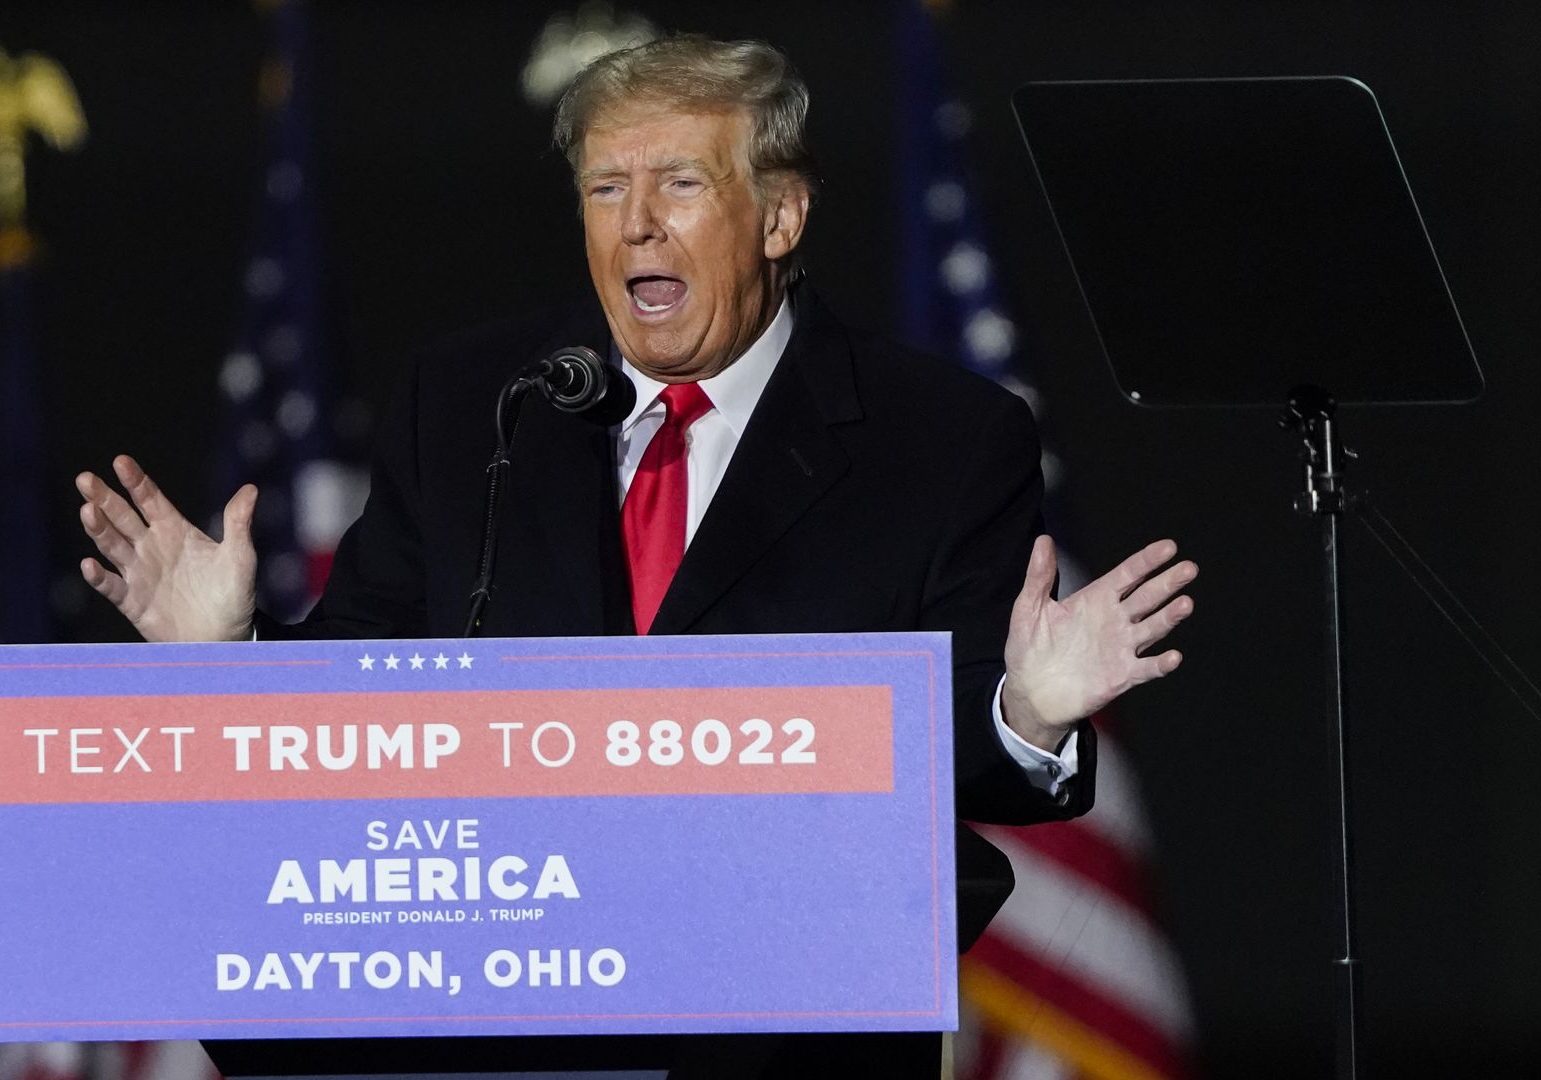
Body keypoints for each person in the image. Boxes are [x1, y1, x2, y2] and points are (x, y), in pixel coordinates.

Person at [74, 34, 1195, 1078]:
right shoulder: (473, 407)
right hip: (501, 1020)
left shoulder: (939, 438)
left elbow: (944, 748)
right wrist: (230, 659)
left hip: (785, 1024)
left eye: (681, 184)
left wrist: (1026, 711)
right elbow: (370, 697)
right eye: (606, 189)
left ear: (781, 216)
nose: (638, 226)